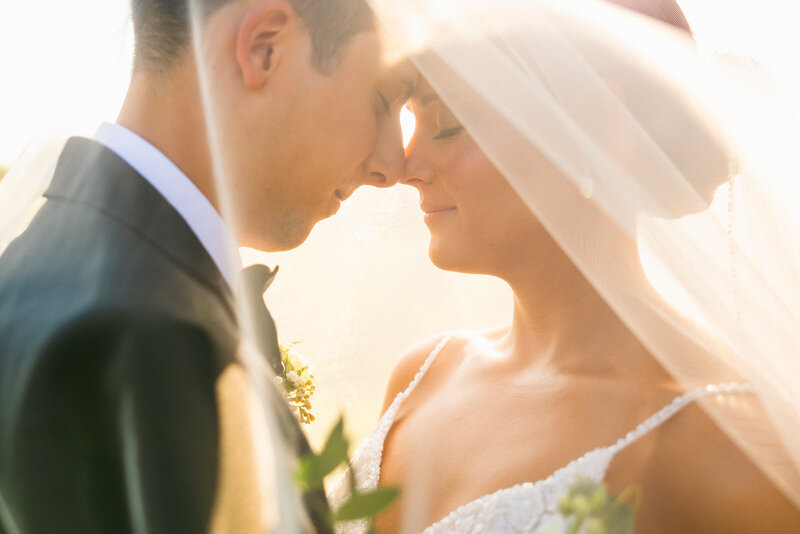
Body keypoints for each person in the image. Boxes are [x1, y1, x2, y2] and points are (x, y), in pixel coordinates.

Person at [329, 0, 800, 532]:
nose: (405, 167)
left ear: (597, 128)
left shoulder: (724, 442)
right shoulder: (424, 374)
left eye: (449, 122)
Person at [0, 0, 413, 532]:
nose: (391, 165)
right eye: (382, 100)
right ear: (263, 47)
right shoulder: (159, 338)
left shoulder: (33, 265)